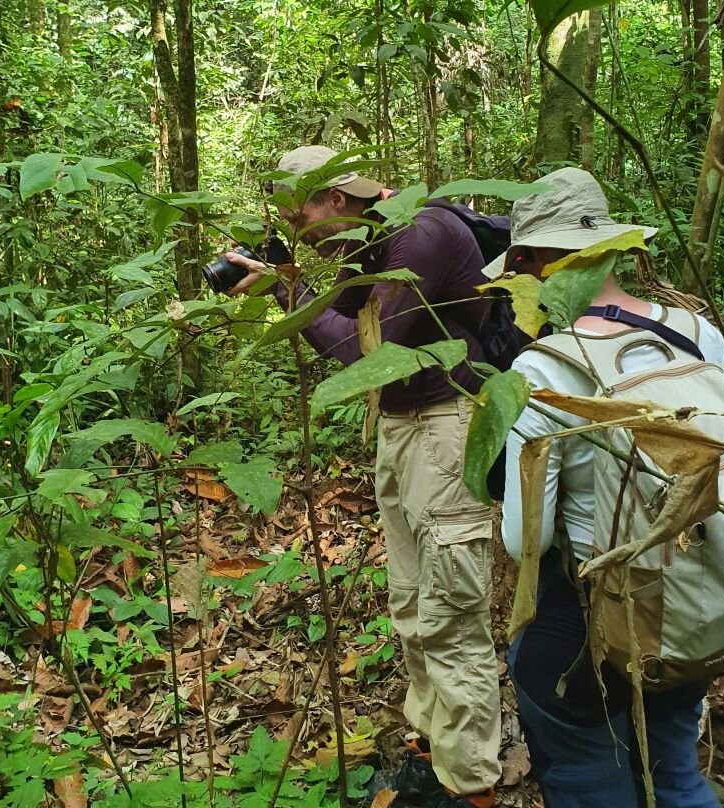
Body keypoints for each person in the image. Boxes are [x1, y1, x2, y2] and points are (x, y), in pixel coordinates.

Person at [495, 167, 724, 808]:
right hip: (697, 608)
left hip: (597, 625)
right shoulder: (693, 330)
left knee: (586, 772)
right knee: (676, 773)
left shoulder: (544, 366)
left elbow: (529, 539)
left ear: (529, 263)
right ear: (614, 248)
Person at [224, 146, 503, 808]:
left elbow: (362, 353)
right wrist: (285, 270)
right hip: (401, 430)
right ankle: (431, 755)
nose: (304, 235)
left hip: (448, 425)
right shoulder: (363, 245)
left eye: (303, 221)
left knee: (451, 615)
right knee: (410, 606)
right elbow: (344, 315)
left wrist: (282, 290)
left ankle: (472, 789)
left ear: (337, 201)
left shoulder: (423, 234)